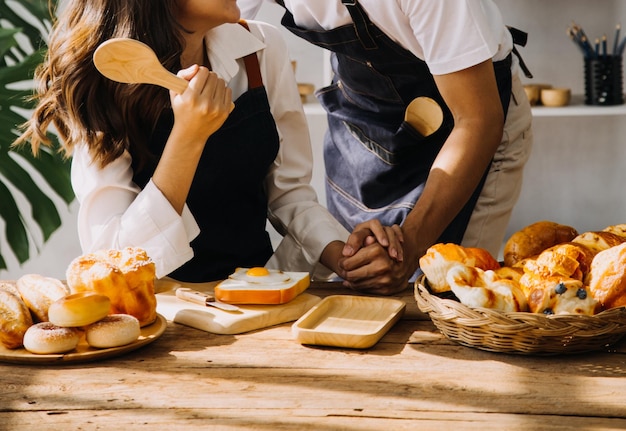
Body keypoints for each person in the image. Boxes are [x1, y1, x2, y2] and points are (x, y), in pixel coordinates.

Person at [14, 0, 403, 289]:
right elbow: (113, 262)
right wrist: (189, 135)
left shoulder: (261, 51)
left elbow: (289, 196)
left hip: (253, 301)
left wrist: (343, 255)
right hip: (158, 320)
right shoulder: (103, 81)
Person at [239, 0, 534, 292]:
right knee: (359, 282)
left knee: (444, 295)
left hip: (468, 127)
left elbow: (478, 121)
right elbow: (211, 30)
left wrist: (410, 245)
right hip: (363, 124)